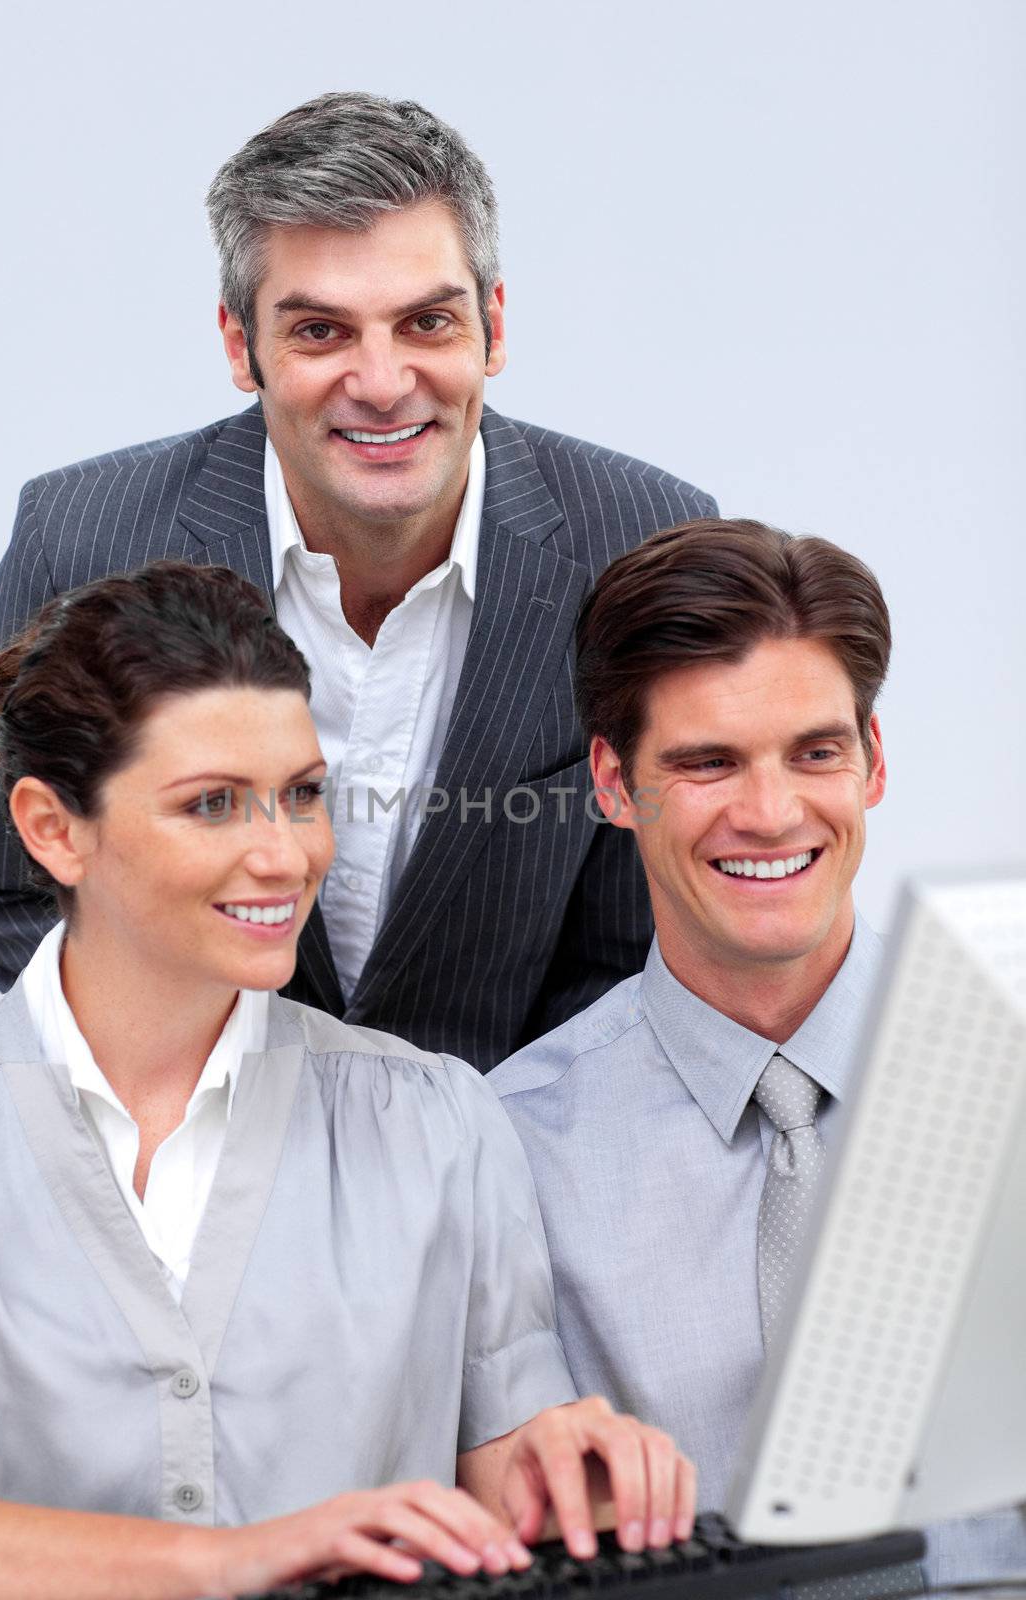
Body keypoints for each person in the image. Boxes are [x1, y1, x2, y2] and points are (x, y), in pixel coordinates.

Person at [0, 562, 696, 1600]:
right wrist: (220, 1562)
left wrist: (577, 1474)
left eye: (302, 796)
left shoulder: (437, 1122)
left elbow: (510, 1484)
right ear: (52, 828)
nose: (283, 856)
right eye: (213, 806)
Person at [0, 90, 716, 1070]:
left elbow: (644, 935)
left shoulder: (640, 543)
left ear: (493, 325)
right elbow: (2, 886)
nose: (382, 381)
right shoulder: (82, 538)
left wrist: (469, 1151)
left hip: (522, 1164)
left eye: (426, 321)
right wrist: (204, 1102)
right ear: (238, 345)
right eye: (319, 332)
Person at [489, 518, 1026, 1587]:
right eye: (705, 762)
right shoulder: (507, 1149)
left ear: (871, 761)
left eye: (813, 751)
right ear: (610, 783)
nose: (770, 812)